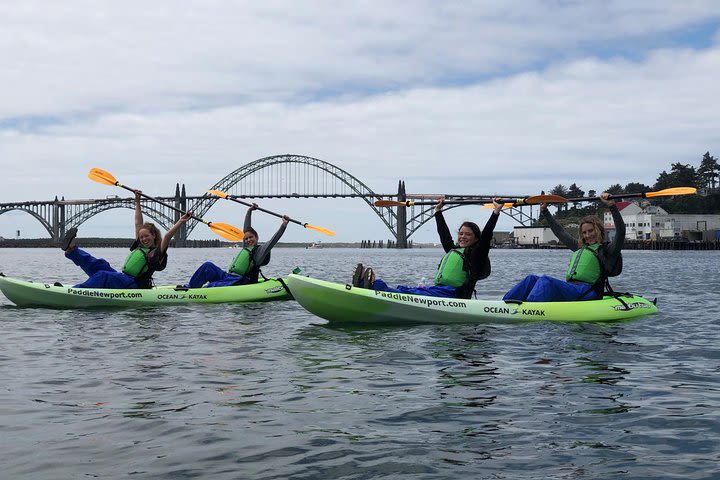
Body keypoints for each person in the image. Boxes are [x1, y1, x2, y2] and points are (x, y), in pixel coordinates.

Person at [352, 198, 503, 299]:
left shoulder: (476, 255)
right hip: (439, 291)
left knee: (411, 294)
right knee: (406, 289)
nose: (463, 237)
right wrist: (438, 211)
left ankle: (374, 286)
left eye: (468, 235)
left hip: (453, 296)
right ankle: (364, 285)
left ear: (476, 238)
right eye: (461, 233)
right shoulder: (453, 250)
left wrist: (495, 213)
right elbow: (444, 234)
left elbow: (486, 236)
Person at [502, 192, 624, 302]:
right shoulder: (579, 247)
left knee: (546, 281)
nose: (587, 235)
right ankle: (505, 304)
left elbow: (620, 232)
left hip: (587, 291)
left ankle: (529, 309)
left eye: (591, 231)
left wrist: (612, 206)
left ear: (598, 230)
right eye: (584, 232)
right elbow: (560, 232)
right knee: (531, 279)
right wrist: (545, 211)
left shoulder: (608, 250)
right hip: (572, 288)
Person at [61, 190, 191, 289]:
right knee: (101, 265)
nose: (144, 239)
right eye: (141, 237)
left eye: (147, 236)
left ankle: (76, 291)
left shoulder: (157, 252)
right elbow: (137, 222)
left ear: (154, 236)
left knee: (103, 276)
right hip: (124, 278)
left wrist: (181, 220)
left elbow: (167, 236)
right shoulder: (140, 246)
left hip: (133, 285)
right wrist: (137, 202)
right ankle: (71, 250)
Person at [184, 203, 289, 288]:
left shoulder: (260, 252)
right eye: (246, 238)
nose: (248, 240)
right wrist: (249, 211)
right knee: (208, 266)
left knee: (211, 286)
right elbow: (246, 228)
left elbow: (273, 240)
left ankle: (204, 291)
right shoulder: (246, 247)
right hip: (228, 277)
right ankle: (190, 287)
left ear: (257, 238)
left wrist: (283, 225)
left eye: (251, 237)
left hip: (241, 281)